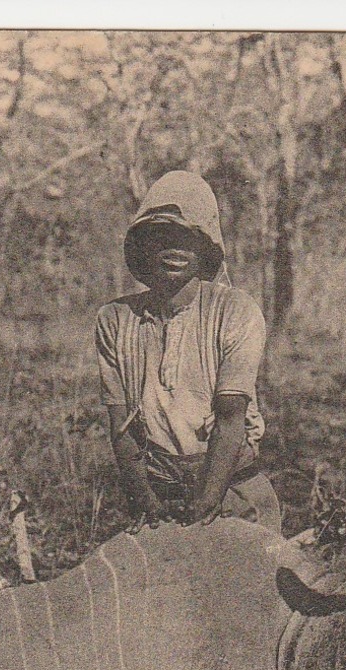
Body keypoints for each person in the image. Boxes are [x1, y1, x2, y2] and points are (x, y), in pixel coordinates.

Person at [96, 170, 281, 533]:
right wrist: (144, 501)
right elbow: (121, 426)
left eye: (187, 235)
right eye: (160, 235)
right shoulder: (115, 321)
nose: (173, 247)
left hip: (229, 490)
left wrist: (208, 499)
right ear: (142, 246)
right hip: (157, 495)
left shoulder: (235, 312)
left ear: (207, 246)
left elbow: (231, 419)